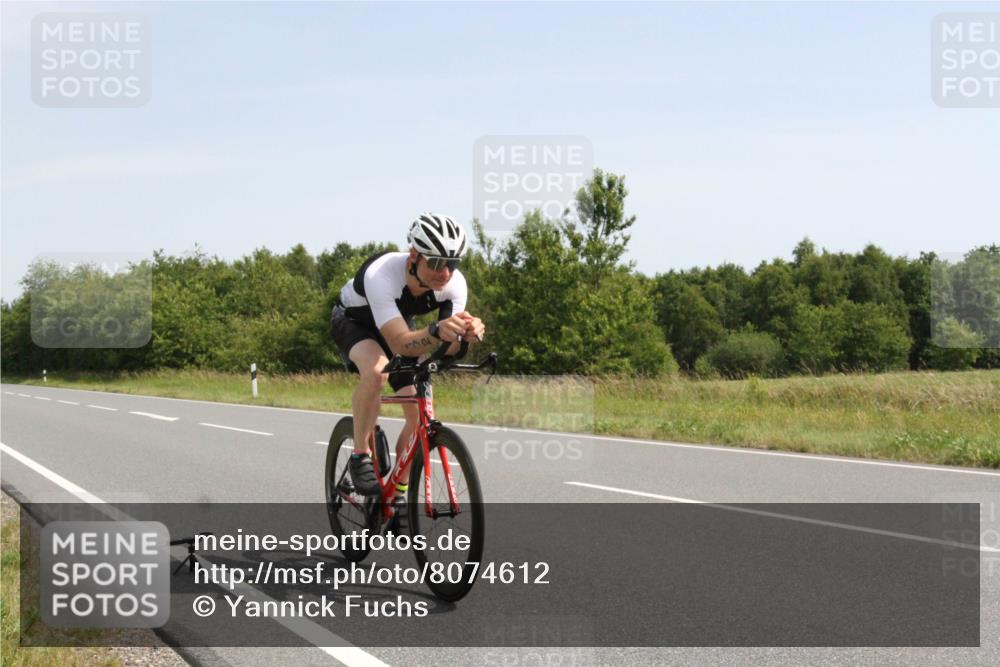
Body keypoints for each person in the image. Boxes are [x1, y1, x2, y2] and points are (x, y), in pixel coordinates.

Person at [329, 213, 486, 524]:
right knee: (377, 372)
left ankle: (396, 493)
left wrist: (465, 336)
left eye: (452, 263)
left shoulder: (453, 285)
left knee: (419, 414)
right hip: (355, 323)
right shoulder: (381, 275)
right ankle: (361, 454)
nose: (446, 272)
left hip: (402, 327)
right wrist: (435, 332)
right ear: (414, 255)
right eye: (437, 262)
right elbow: (400, 343)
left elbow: (446, 346)